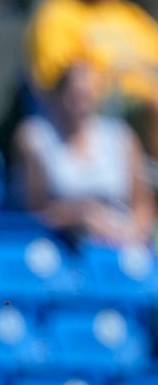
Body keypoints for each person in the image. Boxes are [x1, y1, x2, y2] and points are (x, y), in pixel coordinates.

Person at [13, 62, 155, 247]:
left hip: (121, 246)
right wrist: (82, 216)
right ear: (59, 92)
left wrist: (129, 234)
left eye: (86, 93)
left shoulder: (121, 136)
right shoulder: (35, 137)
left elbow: (143, 204)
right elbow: (35, 208)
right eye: (74, 93)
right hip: (61, 244)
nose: (80, 102)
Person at [25, 0, 158, 158]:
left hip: (143, 101)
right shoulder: (59, 9)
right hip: (94, 106)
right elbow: (56, 75)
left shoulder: (134, 16)